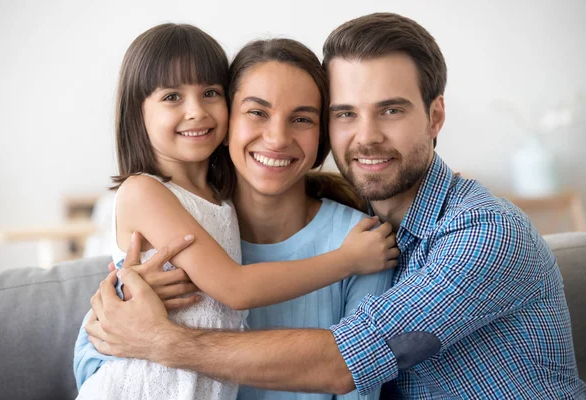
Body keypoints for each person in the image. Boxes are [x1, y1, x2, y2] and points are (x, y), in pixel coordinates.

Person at [85, 13, 586, 399]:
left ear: (435, 116)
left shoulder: (482, 233)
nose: (366, 137)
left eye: (391, 109)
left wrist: (162, 343)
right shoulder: (198, 227)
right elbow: (98, 359)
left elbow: (348, 362)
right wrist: (120, 303)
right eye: (346, 113)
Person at [73, 23, 398, 400]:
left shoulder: (362, 241)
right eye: (257, 112)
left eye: (302, 118)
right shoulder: (152, 197)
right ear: (232, 121)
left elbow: (357, 375)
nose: (277, 138)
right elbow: (97, 363)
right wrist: (121, 296)